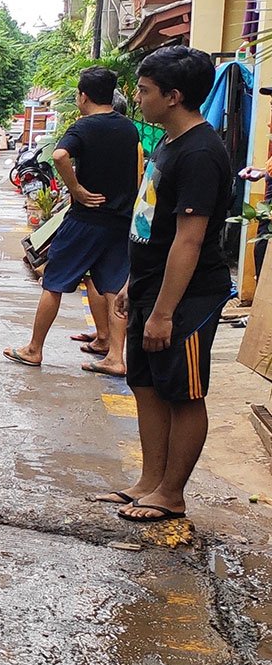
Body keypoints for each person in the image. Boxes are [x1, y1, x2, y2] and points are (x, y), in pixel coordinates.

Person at [101, 46, 233, 522]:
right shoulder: (168, 142)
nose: (137, 98)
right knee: (146, 385)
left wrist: (163, 311)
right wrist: (135, 281)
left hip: (187, 297)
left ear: (173, 96)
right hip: (150, 286)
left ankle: (172, 494)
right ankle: (149, 481)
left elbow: (189, 241)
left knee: (183, 392)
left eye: (144, 90)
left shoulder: (200, 153)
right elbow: (151, 223)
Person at [4, 68, 140, 369]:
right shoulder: (129, 128)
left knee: (53, 282)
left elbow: (59, 156)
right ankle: (116, 357)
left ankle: (34, 349)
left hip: (86, 219)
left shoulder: (84, 127)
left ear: (84, 96)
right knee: (114, 288)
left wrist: (76, 189)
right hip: (120, 221)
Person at [75, 88, 143, 377]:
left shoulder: (113, 138)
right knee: (107, 283)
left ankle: (112, 350)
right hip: (123, 218)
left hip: (108, 220)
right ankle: (105, 341)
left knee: (110, 285)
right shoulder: (132, 136)